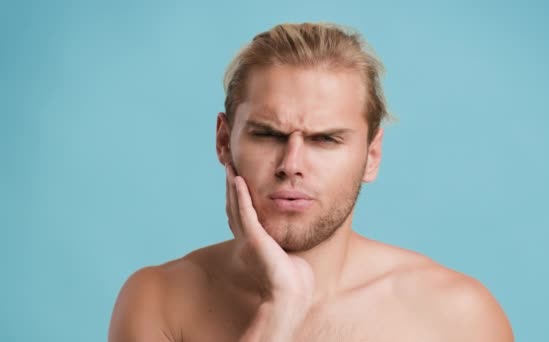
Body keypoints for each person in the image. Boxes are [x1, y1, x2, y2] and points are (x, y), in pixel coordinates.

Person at [109, 22, 513, 342]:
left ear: (371, 155)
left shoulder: (457, 317)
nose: (292, 165)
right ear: (223, 141)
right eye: (267, 135)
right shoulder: (158, 301)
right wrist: (282, 307)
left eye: (325, 139)